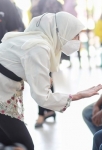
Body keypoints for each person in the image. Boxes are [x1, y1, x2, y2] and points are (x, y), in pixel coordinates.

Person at [0, 12, 102, 150]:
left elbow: (13, 65)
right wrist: (77, 95)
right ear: (61, 32)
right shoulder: (39, 47)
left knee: (10, 142)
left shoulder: (30, 39)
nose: (77, 40)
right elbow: (43, 98)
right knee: (24, 145)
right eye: (75, 35)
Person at [30, 0, 63, 128]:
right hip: (37, 43)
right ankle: (49, 110)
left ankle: (42, 113)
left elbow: (60, 25)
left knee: (43, 77)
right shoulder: (36, 4)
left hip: (49, 44)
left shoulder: (53, 4)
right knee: (44, 76)